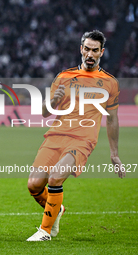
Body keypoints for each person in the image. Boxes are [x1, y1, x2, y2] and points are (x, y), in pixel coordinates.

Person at [26, 30, 126, 241]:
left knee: (55, 177)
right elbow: (45, 112)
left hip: (83, 139)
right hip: (55, 135)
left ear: (102, 52)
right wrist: (54, 101)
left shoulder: (110, 83)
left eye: (95, 50)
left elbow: (112, 119)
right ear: (81, 49)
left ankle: (45, 231)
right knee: (34, 185)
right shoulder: (64, 76)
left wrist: (114, 153)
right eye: (87, 49)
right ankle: (56, 209)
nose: (90, 54)